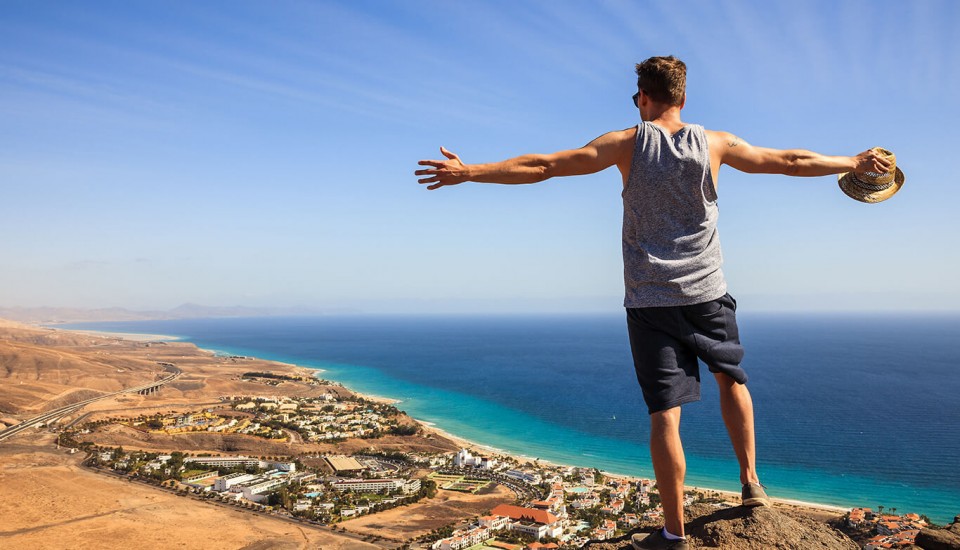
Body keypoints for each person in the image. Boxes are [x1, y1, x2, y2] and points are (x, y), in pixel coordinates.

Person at [415, 56, 893, 550]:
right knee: (732, 379)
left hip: (649, 301)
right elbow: (791, 161)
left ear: (643, 97)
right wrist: (852, 162)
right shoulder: (714, 143)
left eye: (636, 98)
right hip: (708, 293)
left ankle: (674, 533)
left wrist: (470, 171)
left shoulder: (625, 142)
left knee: (666, 415)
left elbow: (543, 167)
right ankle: (752, 484)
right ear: (683, 98)